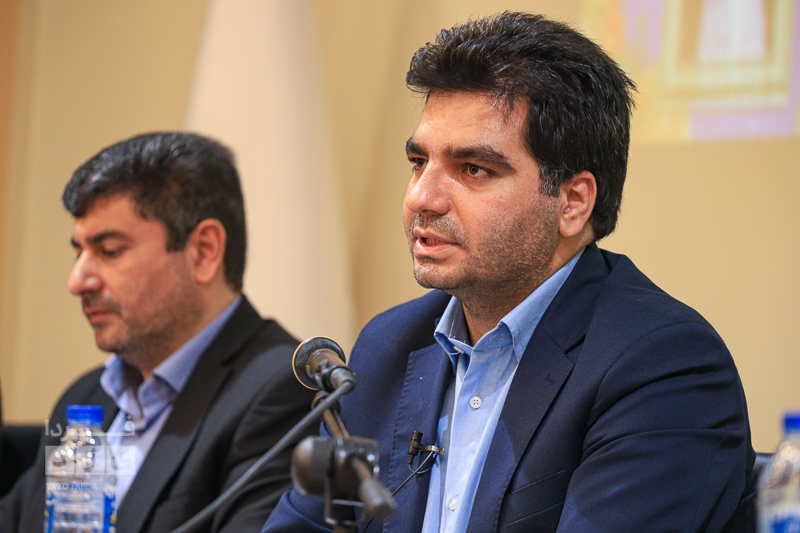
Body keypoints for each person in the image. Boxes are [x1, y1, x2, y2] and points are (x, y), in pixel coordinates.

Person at [262, 11, 756, 533]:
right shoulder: (388, 347)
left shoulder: (664, 367)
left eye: (473, 169)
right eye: (418, 162)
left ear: (572, 202)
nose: (421, 197)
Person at [0, 132, 316, 532]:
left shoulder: (282, 391)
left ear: (203, 251)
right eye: (78, 252)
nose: (77, 281)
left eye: (109, 251)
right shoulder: (84, 397)